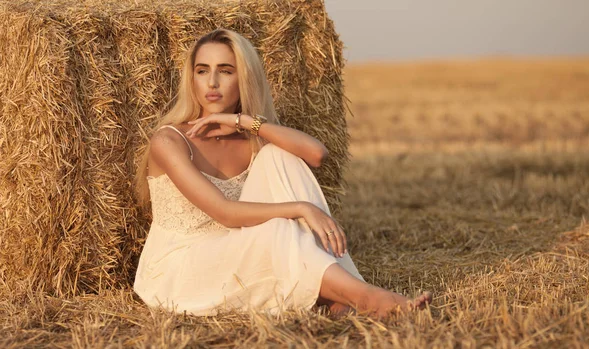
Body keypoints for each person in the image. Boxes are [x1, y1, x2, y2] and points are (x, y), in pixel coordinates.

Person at [133, 28, 431, 319]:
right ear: (192, 78)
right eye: (202, 71)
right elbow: (224, 213)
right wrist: (302, 208)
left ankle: (335, 297)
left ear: (244, 78)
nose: (212, 82)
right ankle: (366, 296)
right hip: (182, 269)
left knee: (279, 155)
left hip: (237, 251)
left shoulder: (249, 139)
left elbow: (316, 154)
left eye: (225, 71)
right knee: (279, 227)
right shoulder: (168, 141)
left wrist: (245, 122)